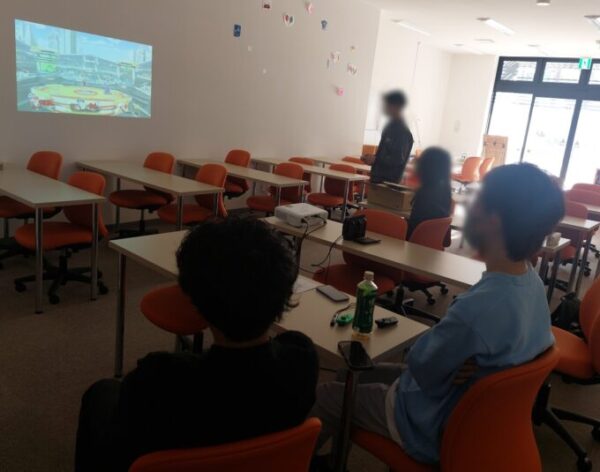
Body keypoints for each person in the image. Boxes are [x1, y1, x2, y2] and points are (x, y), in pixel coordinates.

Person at [312, 163, 564, 466]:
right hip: (469, 412)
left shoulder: (478, 310)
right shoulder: (531, 283)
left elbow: (421, 365)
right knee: (348, 374)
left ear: (494, 219)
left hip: (427, 420)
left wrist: (452, 358)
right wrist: (470, 364)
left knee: (327, 395)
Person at [75, 219, 319, 472]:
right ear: (286, 290)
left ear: (193, 298)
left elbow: (124, 444)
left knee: (101, 392)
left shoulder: (157, 381)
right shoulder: (302, 361)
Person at [362, 90, 414, 184]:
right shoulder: (389, 128)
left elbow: (397, 159)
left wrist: (376, 160)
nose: (384, 108)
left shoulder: (403, 132)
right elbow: (384, 153)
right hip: (377, 178)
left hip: (388, 183)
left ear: (396, 107)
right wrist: (372, 158)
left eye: (387, 105)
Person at [407, 147, 453, 239]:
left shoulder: (424, 194)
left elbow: (413, 226)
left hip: (414, 242)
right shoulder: (445, 190)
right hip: (433, 241)